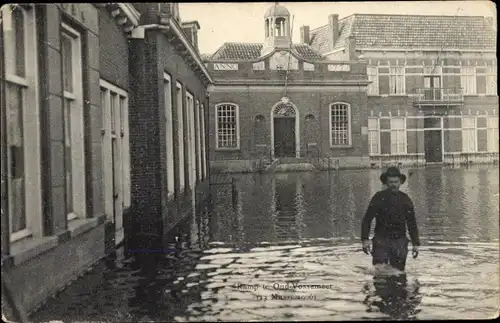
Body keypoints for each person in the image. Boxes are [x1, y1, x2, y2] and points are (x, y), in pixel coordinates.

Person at [361, 167, 420, 271]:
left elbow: (412, 223)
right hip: (381, 240)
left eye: (396, 182)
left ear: (400, 182)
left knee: (399, 272)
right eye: (391, 182)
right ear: (386, 183)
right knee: (379, 272)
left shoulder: (405, 199)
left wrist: (415, 244)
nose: (393, 184)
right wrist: (365, 239)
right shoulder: (378, 197)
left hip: (400, 241)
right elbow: (367, 219)